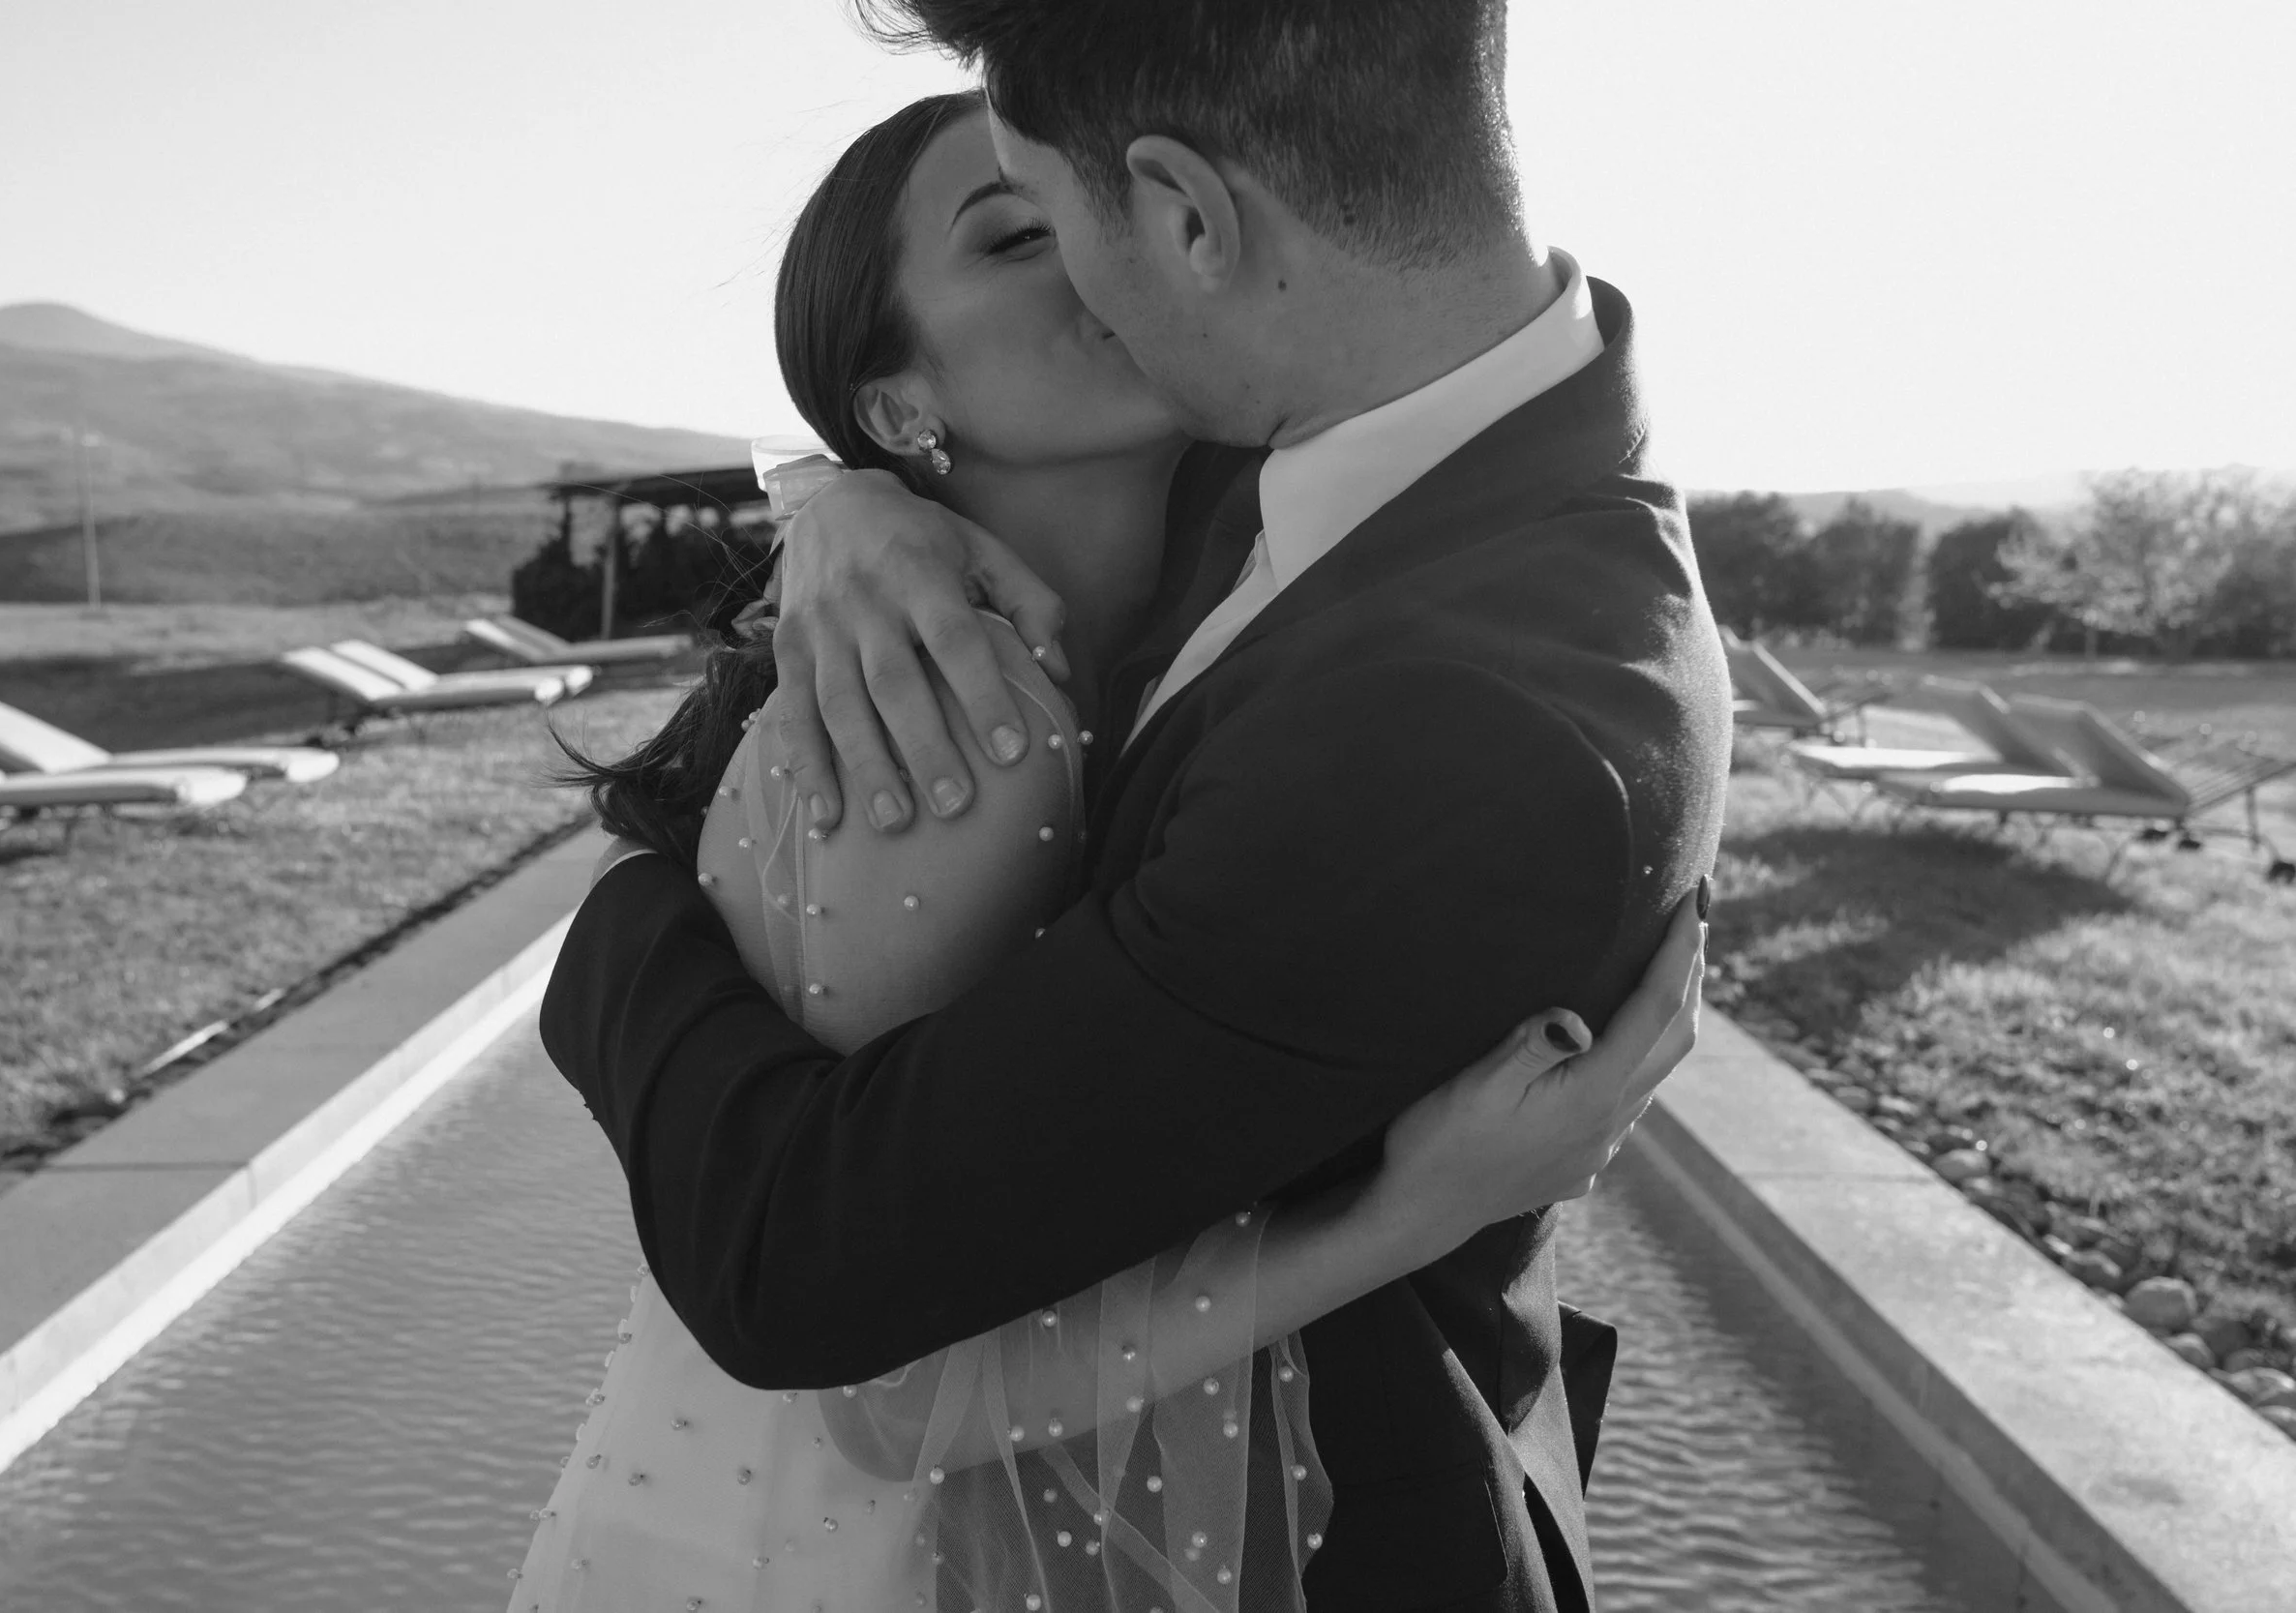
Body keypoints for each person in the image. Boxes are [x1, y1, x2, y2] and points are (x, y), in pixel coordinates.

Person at [545, 2, 1733, 1607]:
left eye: (1052, 215)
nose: (1084, 292)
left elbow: (809, 1272)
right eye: (1009, 235)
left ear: (1186, 216)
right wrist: (845, 501)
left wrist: (618, 924)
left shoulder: (1458, 735)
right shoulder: (1336, 451)